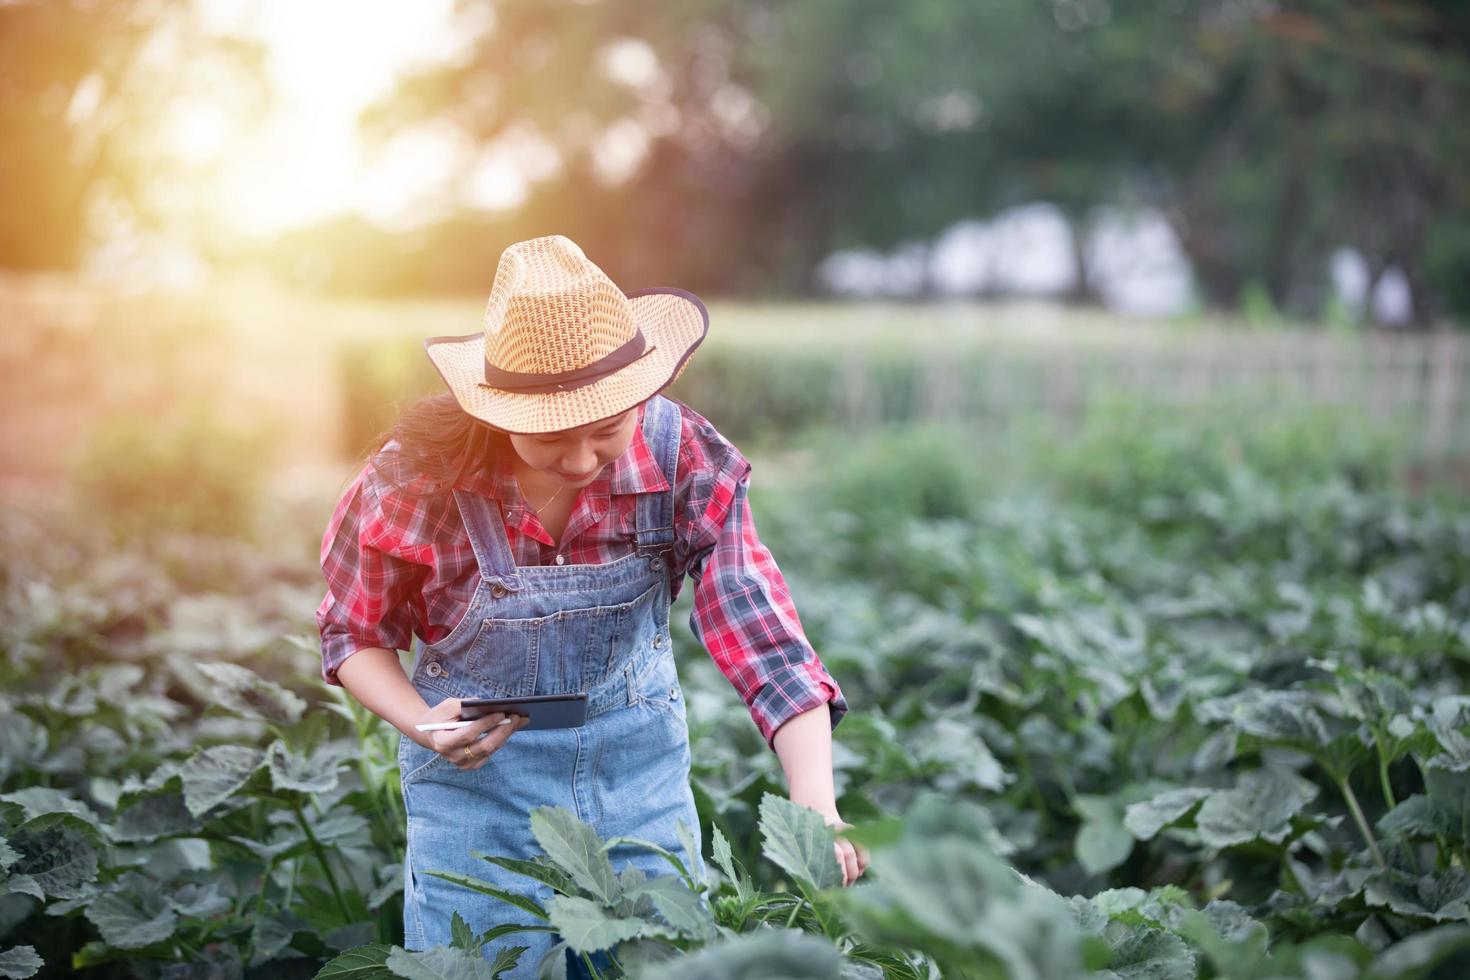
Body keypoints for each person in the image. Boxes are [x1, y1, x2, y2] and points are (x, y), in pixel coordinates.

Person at [315, 235, 867, 977]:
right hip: (478, 792)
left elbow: (760, 630)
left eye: (607, 430)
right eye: (547, 438)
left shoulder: (684, 459)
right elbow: (353, 632)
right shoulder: (415, 482)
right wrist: (420, 721)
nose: (579, 462)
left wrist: (816, 803)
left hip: (638, 779)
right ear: (494, 407)